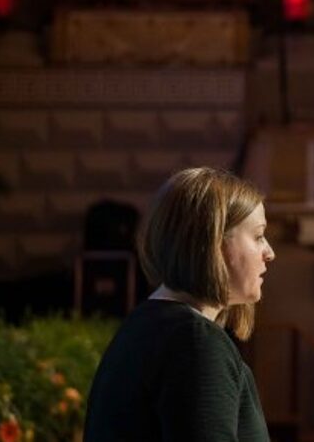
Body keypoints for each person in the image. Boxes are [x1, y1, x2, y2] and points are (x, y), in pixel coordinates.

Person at [85, 167, 276, 441]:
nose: (269, 252)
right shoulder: (196, 343)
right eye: (258, 236)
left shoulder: (146, 324)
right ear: (214, 243)